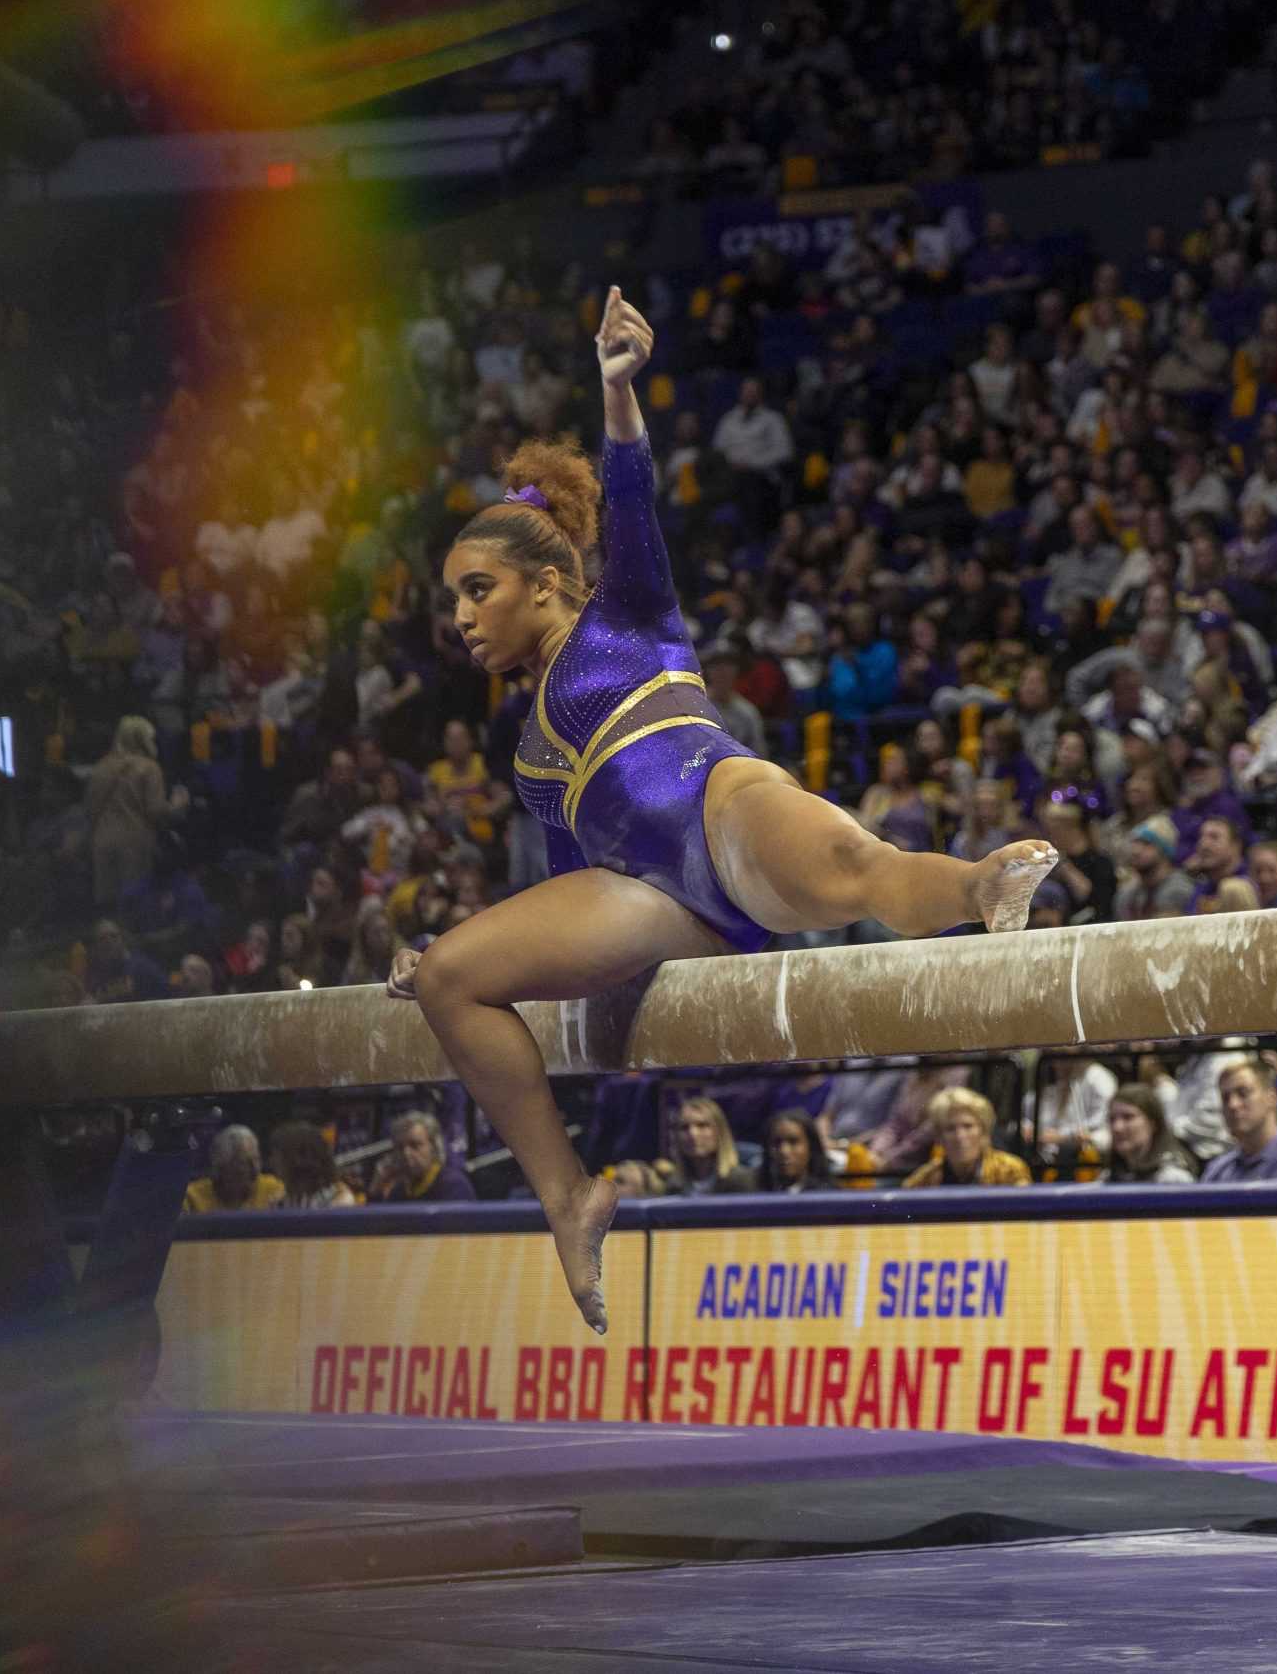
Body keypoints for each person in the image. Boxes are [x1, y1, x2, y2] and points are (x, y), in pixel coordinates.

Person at [390, 291, 1057, 1330]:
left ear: (552, 582)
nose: (463, 617)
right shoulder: (524, 753)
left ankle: (978, 884)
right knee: (449, 977)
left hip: (718, 808)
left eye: (479, 589)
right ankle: (567, 1196)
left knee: (853, 865)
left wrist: (616, 390)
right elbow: (567, 886)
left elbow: (632, 489)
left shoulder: (628, 613)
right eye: (455, 600)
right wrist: (479, 944)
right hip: (652, 904)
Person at [86, 715, 191, 904]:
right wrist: (177, 804)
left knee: (106, 904)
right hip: (135, 841)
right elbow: (155, 811)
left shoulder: (100, 767)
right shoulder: (149, 768)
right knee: (133, 901)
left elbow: (90, 808)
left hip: (101, 841)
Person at [903, 1088, 1032, 1187]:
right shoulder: (923, 1180)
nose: (960, 1136)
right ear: (939, 1137)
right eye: (950, 1128)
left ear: (984, 1131)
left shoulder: (1011, 1170)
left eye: (968, 1126)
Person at [371, 1109, 478, 1203]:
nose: (406, 1153)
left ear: (434, 1147)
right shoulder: (399, 1192)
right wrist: (376, 1189)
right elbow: (375, 1224)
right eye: (400, 1147)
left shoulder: (453, 1186)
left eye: (415, 1145)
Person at [1104, 1084, 1198, 1183]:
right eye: (1112, 1119)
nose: (1117, 1128)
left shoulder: (1173, 1178)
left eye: (1128, 1117)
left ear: (1153, 1123)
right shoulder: (1110, 1177)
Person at [183, 1124, 288, 1213]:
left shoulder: (273, 1189)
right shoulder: (192, 1197)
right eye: (244, 1163)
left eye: (256, 1159)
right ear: (222, 1165)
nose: (255, 1169)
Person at [664, 1095, 757, 1195]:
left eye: (702, 1125)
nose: (692, 1134)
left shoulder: (741, 1181)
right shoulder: (674, 1187)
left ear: (720, 1132)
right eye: (684, 1127)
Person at [271, 1118, 358, 1208]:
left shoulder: (339, 1200)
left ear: (299, 1159)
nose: (273, 1162)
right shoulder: (279, 1202)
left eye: (278, 1156)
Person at [759, 1109, 835, 1194]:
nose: (784, 1151)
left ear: (811, 1147)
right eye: (776, 1143)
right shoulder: (752, 1194)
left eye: (793, 1142)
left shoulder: (830, 1196)